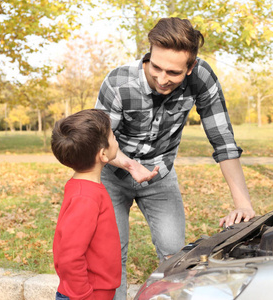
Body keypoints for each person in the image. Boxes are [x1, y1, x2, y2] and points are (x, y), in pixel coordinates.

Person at [95, 17, 256, 299]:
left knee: (176, 256)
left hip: (161, 175)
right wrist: (131, 165)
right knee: (111, 256)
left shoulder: (202, 77)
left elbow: (222, 140)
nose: (161, 78)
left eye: (173, 72)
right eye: (156, 66)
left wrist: (243, 203)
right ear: (149, 52)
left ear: (191, 67)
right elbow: (100, 142)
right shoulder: (119, 83)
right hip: (113, 173)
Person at [51, 109, 121, 300]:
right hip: (87, 295)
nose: (116, 139)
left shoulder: (85, 188)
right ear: (103, 154)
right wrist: (83, 295)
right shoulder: (86, 197)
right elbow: (69, 256)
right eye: (112, 135)